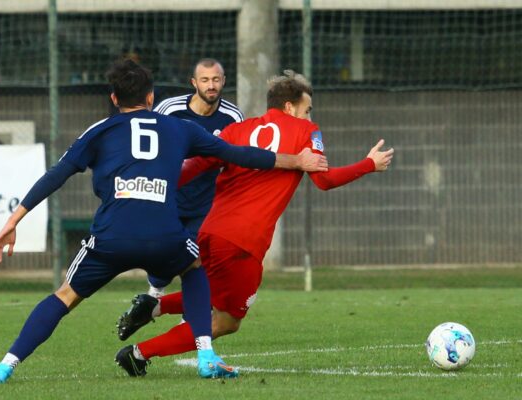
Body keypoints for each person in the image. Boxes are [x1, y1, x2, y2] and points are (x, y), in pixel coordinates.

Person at [0, 61, 328, 384]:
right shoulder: (177, 128)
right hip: (164, 234)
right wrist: (294, 160)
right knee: (193, 268)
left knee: (64, 296)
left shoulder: (100, 129)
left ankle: (5, 366)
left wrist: (14, 219)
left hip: (112, 235)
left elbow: (57, 174)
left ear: (114, 98)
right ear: (151, 96)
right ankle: (206, 355)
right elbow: (238, 154)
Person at [115, 70, 394, 376]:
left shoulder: (238, 129)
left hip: (210, 231)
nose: (309, 115)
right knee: (226, 320)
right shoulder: (306, 130)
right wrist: (369, 164)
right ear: (290, 106)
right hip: (242, 242)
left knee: (212, 296)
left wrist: (152, 188)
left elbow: (196, 165)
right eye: (307, 108)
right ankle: (139, 354)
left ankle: (152, 306)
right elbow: (324, 180)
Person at [145, 58, 244, 298]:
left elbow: (237, 160)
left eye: (216, 80)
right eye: (205, 80)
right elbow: (150, 147)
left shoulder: (233, 117)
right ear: (194, 83)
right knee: (164, 256)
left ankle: (190, 317)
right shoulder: (169, 109)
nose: (211, 85)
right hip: (169, 198)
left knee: (195, 259)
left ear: (223, 82)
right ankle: (155, 291)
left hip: (207, 202)